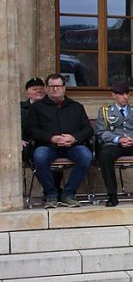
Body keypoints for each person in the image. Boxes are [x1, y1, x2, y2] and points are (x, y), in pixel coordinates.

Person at [23, 73, 93, 208]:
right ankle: (51, 194)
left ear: (64, 88)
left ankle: (69, 194)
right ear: (46, 88)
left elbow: (88, 130)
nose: (55, 89)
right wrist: (51, 138)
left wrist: (74, 138)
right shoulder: (36, 107)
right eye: (52, 86)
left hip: (72, 146)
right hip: (47, 146)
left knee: (86, 155)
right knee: (39, 156)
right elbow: (29, 130)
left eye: (58, 86)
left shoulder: (76, 106)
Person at [20, 77, 45, 148]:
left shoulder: (51, 106)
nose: (39, 91)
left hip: (44, 143)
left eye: (41, 89)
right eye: (35, 89)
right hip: (26, 143)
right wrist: (18, 140)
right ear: (27, 93)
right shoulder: (19, 107)